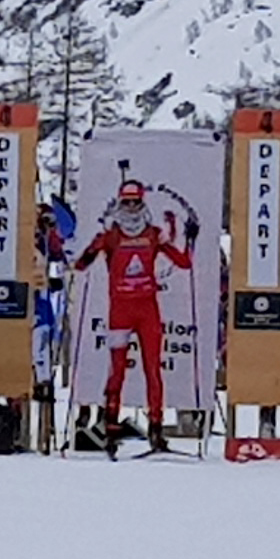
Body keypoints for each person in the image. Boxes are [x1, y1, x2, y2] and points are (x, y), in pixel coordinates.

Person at [73, 178, 192, 447]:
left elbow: (183, 263)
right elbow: (80, 265)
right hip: (120, 311)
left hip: (148, 310)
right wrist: (92, 247)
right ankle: (112, 426)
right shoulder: (111, 234)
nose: (129, 207)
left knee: (153, 369)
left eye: (134, 202)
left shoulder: (153, 233)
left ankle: (156, 429)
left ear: (142, 202)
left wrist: (188, 237)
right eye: (125, 202)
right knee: (117, 371)